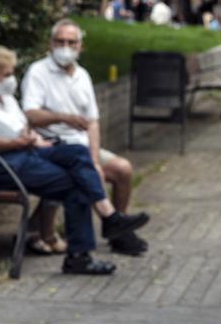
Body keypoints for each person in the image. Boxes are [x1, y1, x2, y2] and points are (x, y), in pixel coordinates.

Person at [0, 36, 149, 275]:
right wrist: (16, 142)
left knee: (77, 153)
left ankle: (110, 219)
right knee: (76, 183)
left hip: (18, 153)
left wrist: (25, 141)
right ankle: (81, 254)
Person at [22, 20, 147, 256]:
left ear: (81, 46)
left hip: (82, 146)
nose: (65, 47)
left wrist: (95, 160)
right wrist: (63, 118)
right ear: (50, 44)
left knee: (122, 169)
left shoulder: (82, 75)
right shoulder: (38, 72)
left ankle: (116, 228)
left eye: (71, 42)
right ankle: (108, 227)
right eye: (60, 42)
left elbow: (92, 123)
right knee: (80, 175)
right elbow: (31, 114)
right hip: (54, 146)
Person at [0, 46, 65, 255]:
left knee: (69, 159)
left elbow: (22, 126)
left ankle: (38, 230)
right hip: (3, 162)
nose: (12, 79)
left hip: (24, 152)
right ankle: (44, 232)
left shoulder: (7, 99)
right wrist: (27, 140)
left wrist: (35, 139)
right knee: (64, 173)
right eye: (7, 74)